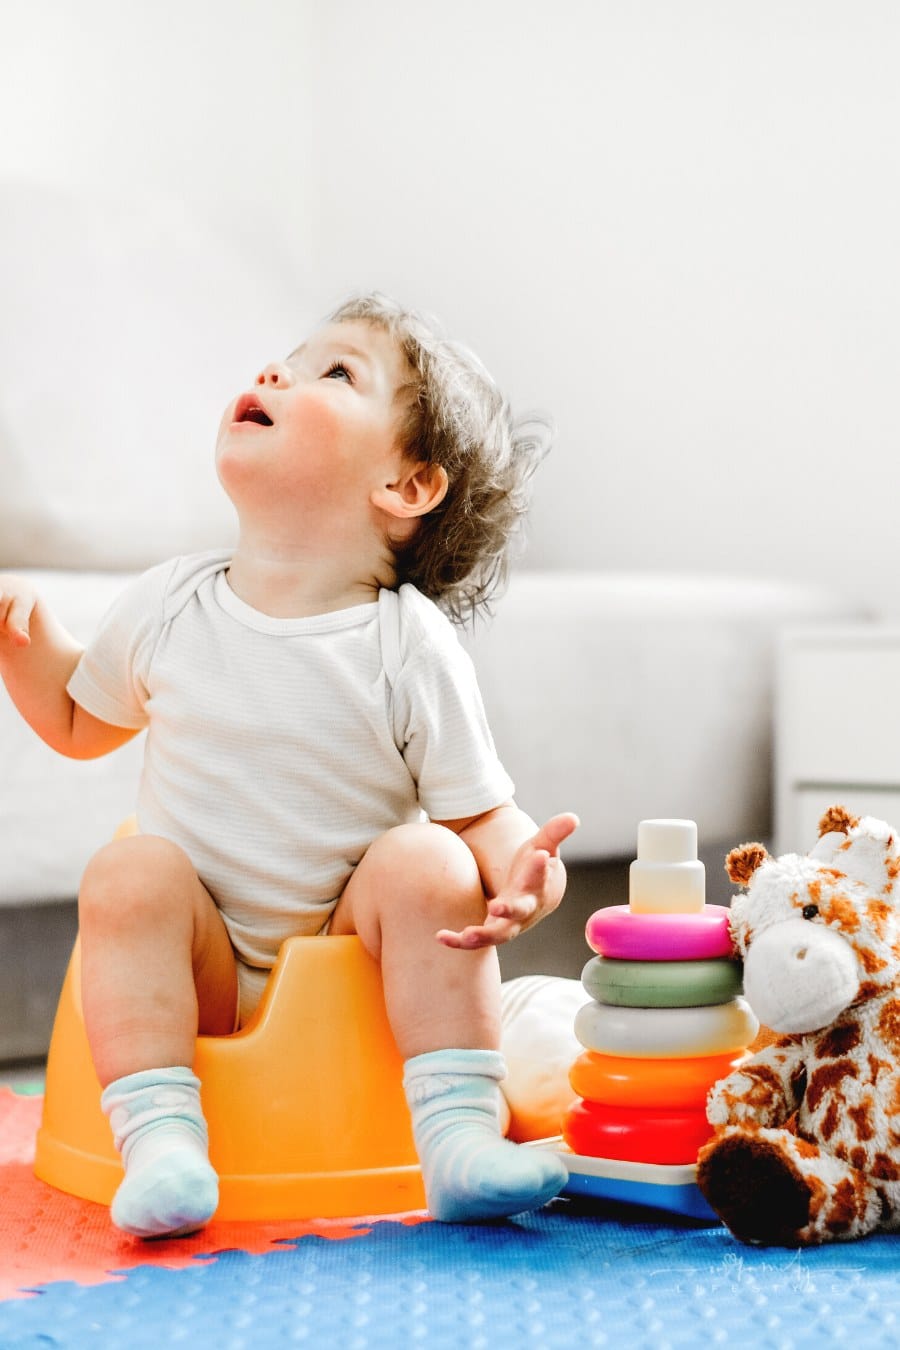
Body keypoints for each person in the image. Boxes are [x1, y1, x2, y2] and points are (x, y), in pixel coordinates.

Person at [0, 293, 578, 1238]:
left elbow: (480, 816)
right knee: (129, 870)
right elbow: (76, 718)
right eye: (287, 359)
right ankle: (163, 1145)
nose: (275, 373)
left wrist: (523, 870)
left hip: (354, 960)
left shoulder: (408, 643)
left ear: (406, 487)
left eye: (335, 372)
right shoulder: (171, 604)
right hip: (201, 963)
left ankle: (459, 1139)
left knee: (429, 860)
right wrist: (23, 640)